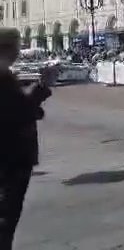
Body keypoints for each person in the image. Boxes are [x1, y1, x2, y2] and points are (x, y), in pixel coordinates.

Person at [0, 28, 53, 249]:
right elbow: (16, 112)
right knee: (6, 220)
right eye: (17, 45)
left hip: (9, 156)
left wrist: (33, 108)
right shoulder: (3, 77)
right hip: (11, 158)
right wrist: (43, 87)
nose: (20, 50)